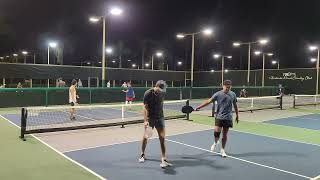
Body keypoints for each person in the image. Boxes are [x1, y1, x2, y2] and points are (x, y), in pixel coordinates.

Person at [196, 80, 239, 158]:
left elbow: (235, 105)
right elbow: (208, 101)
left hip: (228, 117)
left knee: (225, 135)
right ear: (223, 86)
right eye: (226, 87)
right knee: (216, 132)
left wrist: (237, 115)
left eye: (229, 87)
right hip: (219, 117)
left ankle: (222, 150)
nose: (228, 89)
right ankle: (215, 142)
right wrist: (199, 107)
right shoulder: (218, 94)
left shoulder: (233, 94)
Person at [139, 80, 172, 168]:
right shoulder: (148, 93)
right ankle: (142, 154)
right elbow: (145, 107)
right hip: (150, 119)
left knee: (162, 138)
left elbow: (162, 103)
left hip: (160, 118)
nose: (162, 91)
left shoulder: (162, 93)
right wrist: (145, 120)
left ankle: (163, 159)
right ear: (156, 86)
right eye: (161, 89)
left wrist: (161, 114)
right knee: (146, 137)